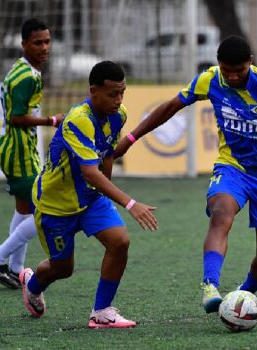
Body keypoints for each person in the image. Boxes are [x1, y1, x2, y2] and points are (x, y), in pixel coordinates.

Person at [113, 35, 257, 313]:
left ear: (250, 63)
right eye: (226, 70)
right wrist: (131, 139)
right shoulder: (210, 79)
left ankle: (242, 296)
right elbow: (170, 106)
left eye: (239, 71)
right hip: (232, 166)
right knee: (221, 212)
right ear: (218, 64)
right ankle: (210, 285)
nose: (232, 77)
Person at [19, 61, 158, 328]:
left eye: (122, 92)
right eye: (112, 94)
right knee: (63, 268)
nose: (119, 100)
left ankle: (102, 312)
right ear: (93, 91)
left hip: (91, 199)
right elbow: (89, 172)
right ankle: (32, 284)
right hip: (55, 206)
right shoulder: (78, 120)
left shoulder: (119, 114)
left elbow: (106, 157)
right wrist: (130, 203)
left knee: (120, 242)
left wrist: (107, 193)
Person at [0, 18, 64, 289]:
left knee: (25, 208)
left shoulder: (26, 70)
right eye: (37, 42)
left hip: (18, 147)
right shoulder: (26, 76)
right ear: (24, 44)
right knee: (42, 210)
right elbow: (17, 117)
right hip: (18, 151)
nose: (44, 47)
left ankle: (15, 268)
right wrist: (52, 121)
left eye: (47, 41)